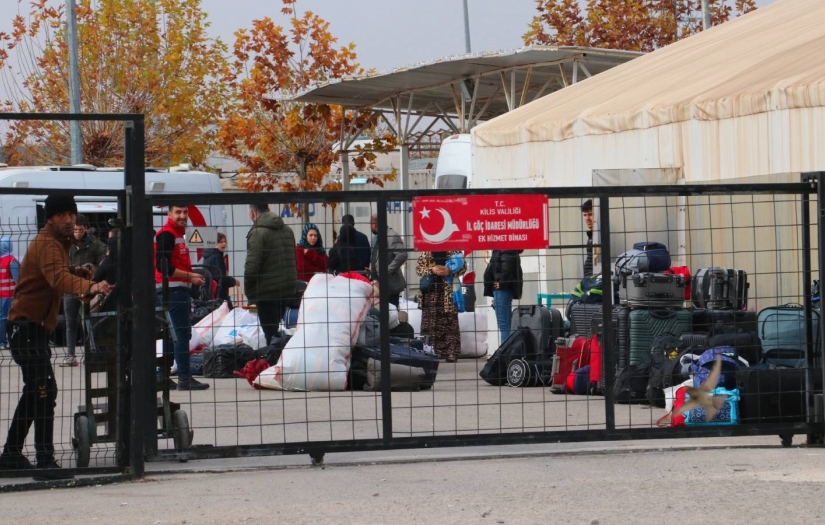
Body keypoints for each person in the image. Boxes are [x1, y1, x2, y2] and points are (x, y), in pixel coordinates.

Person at [0, 195, 113, 478]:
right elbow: (57, 280)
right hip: (26, 328)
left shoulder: (57, 242)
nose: (68, 220)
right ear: (49, 218)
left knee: (37, 391)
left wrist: (76, 270)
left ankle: (11, 454)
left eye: (71, 214)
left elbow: (56, 273)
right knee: (44, 390)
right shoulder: (49, 243)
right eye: (61, 215)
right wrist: (93, 285)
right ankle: (45, 460)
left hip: (30, 327)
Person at [155, 205, 209, 391]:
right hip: (173, 290)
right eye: (178, 212)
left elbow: (175, 263)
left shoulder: (179, 234)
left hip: (176, 289)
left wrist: (191, 275)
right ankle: (185, 378)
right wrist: (190, 276)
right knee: (181, 334)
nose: (182, 216)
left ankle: (162, 376)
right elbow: (163, 266)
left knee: (172, 335)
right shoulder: (167, 234)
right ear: (169, 214)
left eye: (185, 212)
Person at [244, 203, 297, 345]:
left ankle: (273, 363)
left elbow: (252, 267)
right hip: (286, 289)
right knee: (279, 331)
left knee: (270, 334)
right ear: (269, 209)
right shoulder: (287, 230)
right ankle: (281, 358)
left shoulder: (257, 232)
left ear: (252, 213)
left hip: (267, 292)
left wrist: (249, 291)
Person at [61, 213, 107, 367]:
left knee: (88, 321)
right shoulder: (65, 244)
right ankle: (70, 355)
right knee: (70, 323)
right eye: (75, 230)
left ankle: (93, 354)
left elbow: (104, 263)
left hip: (88, 289)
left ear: (86, 228)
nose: (77, 233)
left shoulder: (95, 244)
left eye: (80, 230)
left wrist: (94, 273)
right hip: (69, 289)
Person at [416, 250, 465, 362]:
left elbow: (463, 267)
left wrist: (449, 270)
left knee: (450, 321)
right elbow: (419, 269)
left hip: (448, 290)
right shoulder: (426, 250)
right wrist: (431, 270)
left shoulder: (454, 250)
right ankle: (429, 351)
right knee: (430, 321)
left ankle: (451, 353)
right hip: (430, 290)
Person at [483, 250, 524, 342]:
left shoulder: (505, 248)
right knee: (506, 325)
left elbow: (508, 268)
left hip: (502, 290)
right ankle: (508, 353)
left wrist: (502, 283)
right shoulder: (503, 248)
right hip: (501, 290)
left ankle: (505, 354)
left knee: (504, 326)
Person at [369, 213, 407, 307]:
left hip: (390, 285)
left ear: (374, 225)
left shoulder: (391, 236)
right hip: (380, 284)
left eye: (370, 224)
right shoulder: (379, 237)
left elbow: (402, 254)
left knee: (391, 314)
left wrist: (387, 270)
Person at [202, 232, 237, 307]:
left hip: (210, 293)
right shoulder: (217, 257)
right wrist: (233, 281)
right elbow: (220, 277)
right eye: (221, 242)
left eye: (225, 241)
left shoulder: (207, 256)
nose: (224, 244)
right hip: (219, 294)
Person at [0, 238, 20, 349]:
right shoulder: (11, 260)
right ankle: (8, 341)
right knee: (11, 318)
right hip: (10, 294)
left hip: (1, 294)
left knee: (1, 318)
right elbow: (18, 279)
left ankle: (2, 342)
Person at [581, 199, 596, 279]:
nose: (587, 218)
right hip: (590, 278)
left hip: (594, 278)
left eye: (590, 214)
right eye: (585, 215)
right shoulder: (592, 234)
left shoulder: (599, 235)